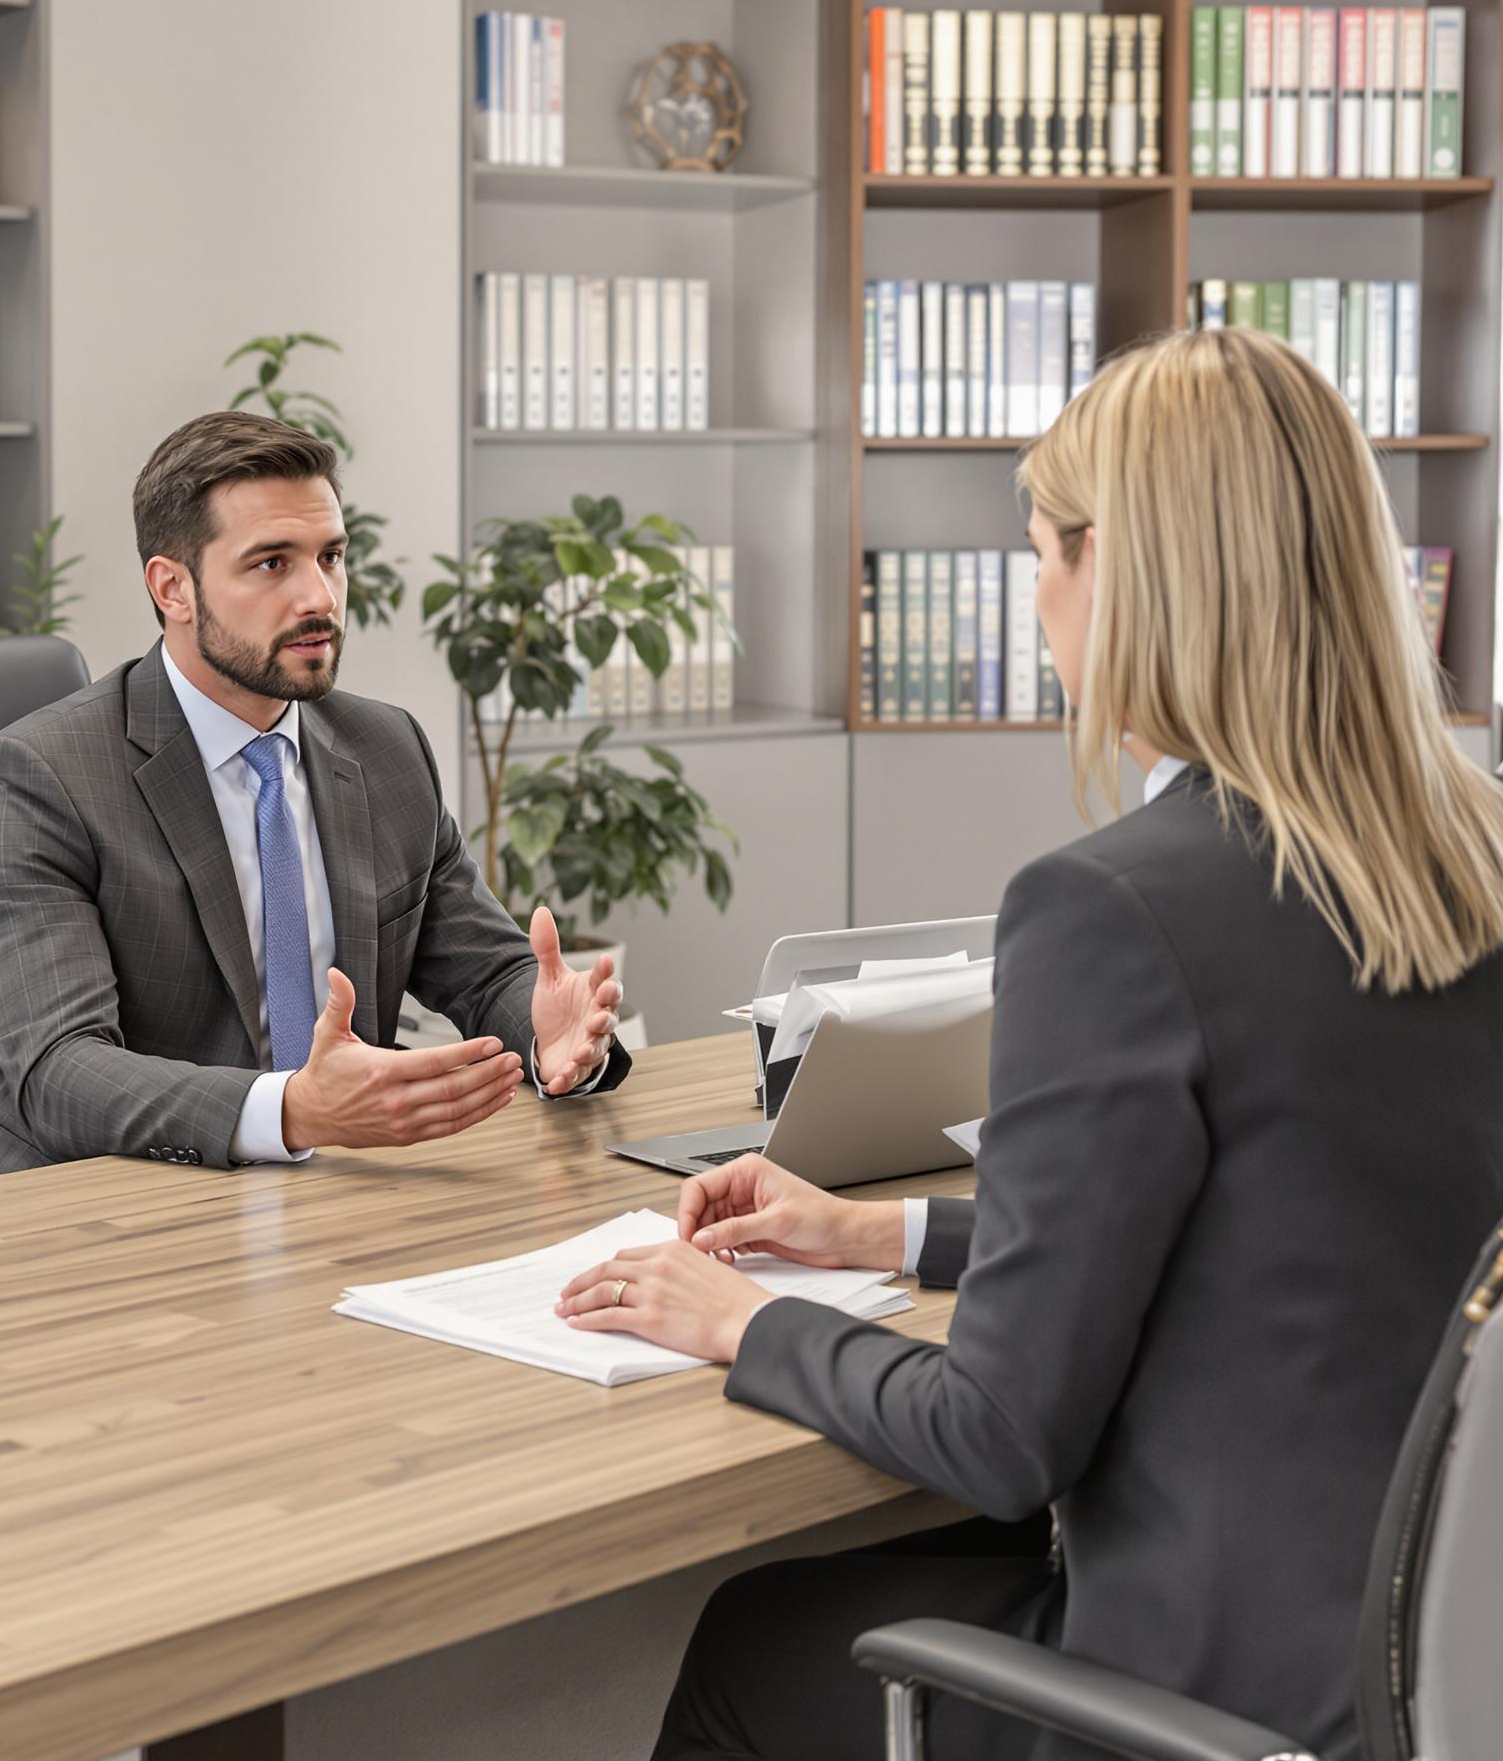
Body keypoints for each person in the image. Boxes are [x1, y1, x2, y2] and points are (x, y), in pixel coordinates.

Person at [556, 327, 1503, 1759]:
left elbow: (997, 1434)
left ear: (1120, 568)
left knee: (754, 1643)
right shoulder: (1467, 859)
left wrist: (740, 1318)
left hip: (1216, 1696)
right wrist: (893, 1242)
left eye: (1042, 552)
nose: (1041, 598)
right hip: (1422, 1671)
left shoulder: (1115, 909)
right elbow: (1291, 1236)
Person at [0, 410, 628, 1183]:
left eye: (331, 557)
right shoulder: (38, 777)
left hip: (324, 1194)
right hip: (79, 1206)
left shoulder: (386, 749)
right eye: (272, 564)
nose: (319, 598)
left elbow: (485, 972)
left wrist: (545, 1033)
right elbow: (58, 1073)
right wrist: (291, 1109)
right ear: (174, 589)